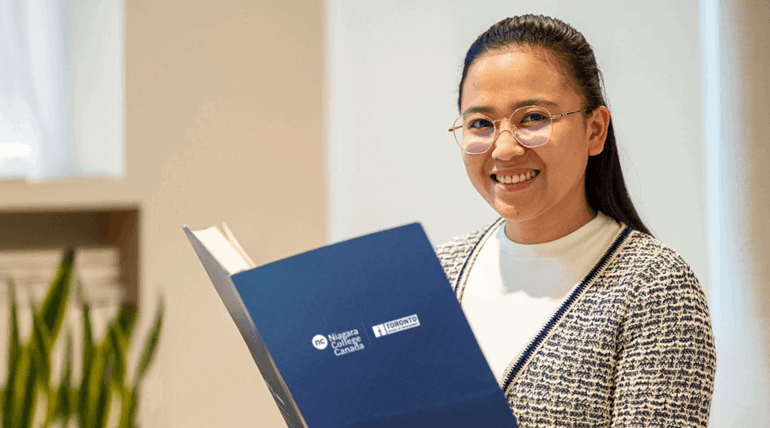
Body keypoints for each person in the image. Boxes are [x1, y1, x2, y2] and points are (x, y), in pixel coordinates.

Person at [435, 15, 716, 427]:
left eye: (533, 117)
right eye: (480, 124)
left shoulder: (654, 288)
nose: (505, 148)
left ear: (595, 130)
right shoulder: (438, 270)